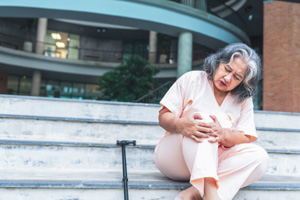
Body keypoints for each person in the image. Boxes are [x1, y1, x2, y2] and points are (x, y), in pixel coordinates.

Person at [154, 43, 269, 200]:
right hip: (175, 159)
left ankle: (193, 193)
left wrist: (223, 135)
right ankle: (210, 195)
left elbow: (245, 136)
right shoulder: (192, 79)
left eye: (237, 77)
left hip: (214, 162)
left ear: (242, 82)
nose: (227, 78)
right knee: (205, 122)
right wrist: (182, 125)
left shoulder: (243, 99)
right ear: (218, 61)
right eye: (227, 69)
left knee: (260, 157)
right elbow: (163, 116)